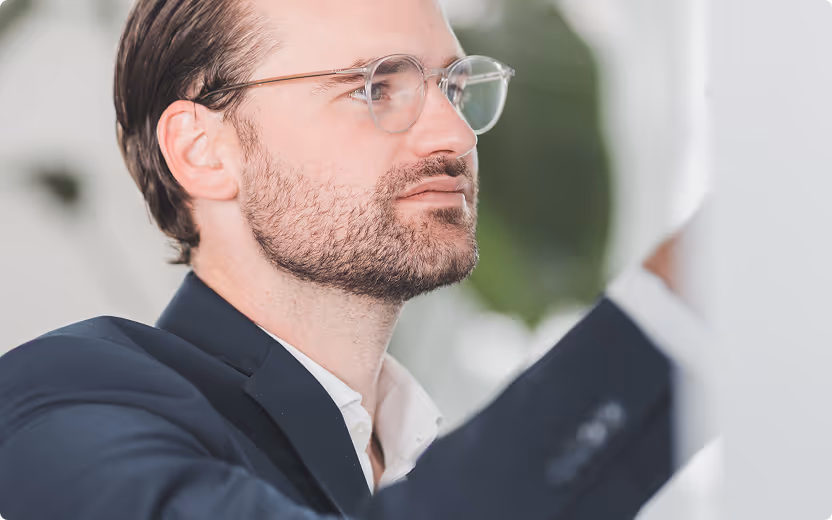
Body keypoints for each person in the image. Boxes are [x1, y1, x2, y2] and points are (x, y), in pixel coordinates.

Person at [0, 0, 708, 518]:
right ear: (202, 151)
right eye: (374, 87)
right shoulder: (62, 396)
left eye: (456, 87)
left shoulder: (418, 450)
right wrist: (675, 305)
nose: (454, 134)